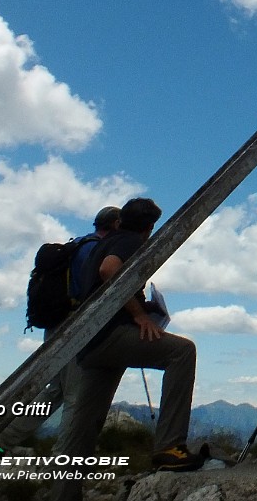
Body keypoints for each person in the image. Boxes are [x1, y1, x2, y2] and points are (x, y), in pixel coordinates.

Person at [55, 197, 202, 475]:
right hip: (111, 335)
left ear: (121, 219)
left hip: (90, 342)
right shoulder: (131, 242)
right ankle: (170, 447)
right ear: (149, 227)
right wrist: (139, 315)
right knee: (182, 352)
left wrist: (141, 307)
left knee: (83, 427)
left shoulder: (104, 242)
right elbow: (109, 270)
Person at [0, 205, 121, 449]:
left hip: (56, 323)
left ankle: (1, 441)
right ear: (115, 224)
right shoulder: (97, 250)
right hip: (76, 326)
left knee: (55, 389)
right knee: (76, 394)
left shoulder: (76, 245)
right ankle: (63, 455)